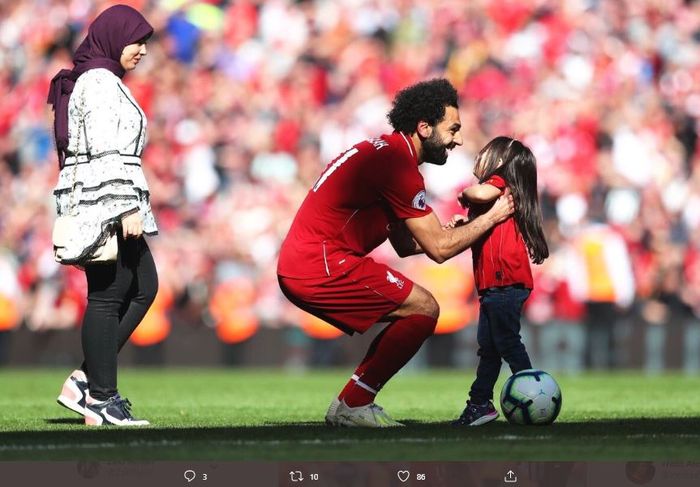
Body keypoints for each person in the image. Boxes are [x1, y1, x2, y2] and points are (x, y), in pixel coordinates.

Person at [277, 79, 514, 427]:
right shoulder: (397, 164)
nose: (459, 139)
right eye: (453, 129)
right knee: (424, 308)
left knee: (415, 310)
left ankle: (352, 402)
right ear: (424, 127)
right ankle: (354, 403)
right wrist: (493, 217)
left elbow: (407, 244)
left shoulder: (386, 152)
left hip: (310, 262)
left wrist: (450, 232)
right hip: (321, 265)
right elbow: (439, 250)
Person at [48, 4, 158, 426]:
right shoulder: (98, 81)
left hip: (107, 195)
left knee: (142, 285)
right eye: (138, 41)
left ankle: (85, 381)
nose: (143, 51)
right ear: (114, 37)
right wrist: (126, 204)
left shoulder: (105, 79)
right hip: (106, 200)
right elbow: (105, 146)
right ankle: (101, 397)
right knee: (111, 294)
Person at [448, 136, 549, 426]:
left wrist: (464, 194)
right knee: (490, 347)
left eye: (483, 153)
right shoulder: (504, 195)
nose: (477, 159)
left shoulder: (500, 183)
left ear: (500, 160)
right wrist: (467, 226)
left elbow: (478, 193)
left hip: (502, 282)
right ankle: (480, 403)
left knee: (505, 341)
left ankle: (533, 392)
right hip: (497, 285)